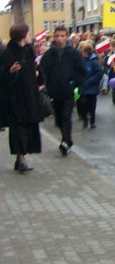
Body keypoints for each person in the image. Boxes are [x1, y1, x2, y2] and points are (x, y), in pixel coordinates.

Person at [0, 24, 44, 173]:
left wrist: (39, 79)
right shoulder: (8, 52)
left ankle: (20, 158)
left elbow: (35, 67)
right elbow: (2, 74)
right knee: (18, 128)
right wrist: (10, 71)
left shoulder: (29, 49)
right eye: (27, 33)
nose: (29, 35)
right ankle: (21, 159)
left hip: (30, 95)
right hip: (15, 97)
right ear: (22, 35)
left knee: (28, 127)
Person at [39, 26, 85, 155]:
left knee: (66, 116)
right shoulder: (49, 54)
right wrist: (44, 83)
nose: (59, 39)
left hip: (68, 90)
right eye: (57, 36)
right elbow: (42, 70)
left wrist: (74, 83)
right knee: (58, 119)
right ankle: (66, 139)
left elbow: (81, 70)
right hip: (54, 91)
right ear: (54, 37)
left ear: (66, 36)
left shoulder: (73, 53)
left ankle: (66, 142)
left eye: (62, 36)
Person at [77, 42, 104, 130]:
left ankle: (92, 121)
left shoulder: (94, 62)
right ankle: (85, 119)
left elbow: (99, 73)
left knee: (92, 105)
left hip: (92, 87)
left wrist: (90, 81)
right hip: (83, 87)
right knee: (83, 104)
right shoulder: (80, 61)